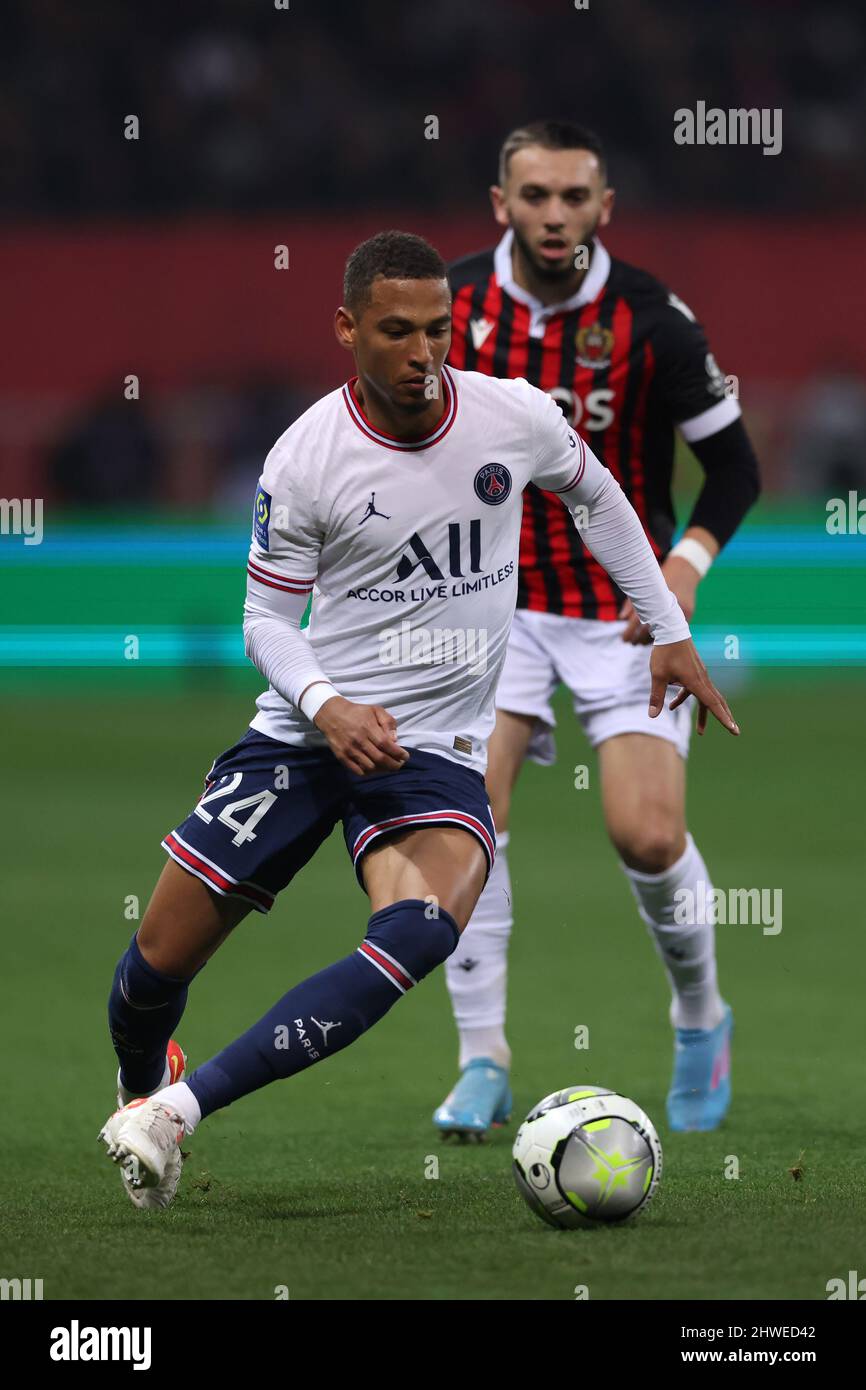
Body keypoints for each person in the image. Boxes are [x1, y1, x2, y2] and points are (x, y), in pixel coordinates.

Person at [98, 230, 737, 1209]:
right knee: (155, 963)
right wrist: (326, 703)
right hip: (303, 735)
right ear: (346, 328)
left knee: (421, 929)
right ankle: (140, 1083)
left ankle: (177, 1113)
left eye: (438, 329)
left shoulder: (508, 417)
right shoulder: (306, 456)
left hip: (432, 747)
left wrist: (664, 626)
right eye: (396, 331)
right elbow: (265, 618)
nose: (422, 353)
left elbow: (595, 494)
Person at [434, 121, 760, 1138]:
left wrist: (682, 566)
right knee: (461, 835)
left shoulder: (654, 320)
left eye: (574, 197)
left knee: (646, 833)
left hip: (620, 616)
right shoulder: (449, 309)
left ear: (602, 207)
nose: (554, 215)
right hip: (487, 613)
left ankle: (700, 1017)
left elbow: (735, 469)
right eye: (534, 196)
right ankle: (480, 1055)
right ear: (501, 205)